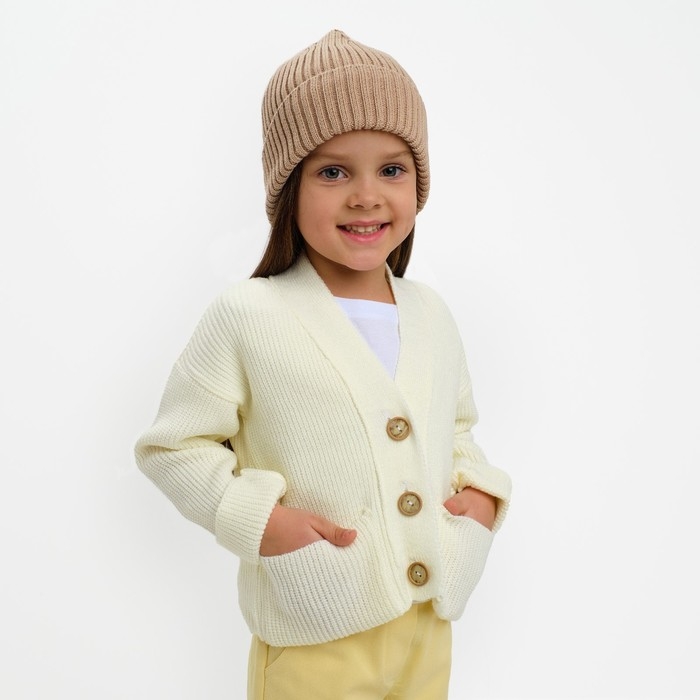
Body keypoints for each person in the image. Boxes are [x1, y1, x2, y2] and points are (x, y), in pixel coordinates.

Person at [135, 29, 512, 699]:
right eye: (333, 172)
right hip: (316, 626)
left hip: (428, 627)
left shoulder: (431, 314)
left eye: (392, 170)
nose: (366, 195)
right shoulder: (250, 315)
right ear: (289, 186)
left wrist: (480, 499)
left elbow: (456, 430)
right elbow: (173, 446)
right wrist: (261, 522)